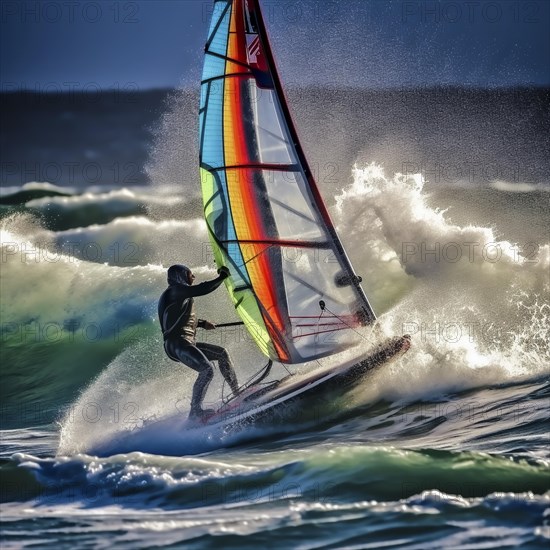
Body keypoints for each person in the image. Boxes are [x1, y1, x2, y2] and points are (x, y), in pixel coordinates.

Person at [158, 264, 240, 419]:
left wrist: (202, 324)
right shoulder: (174, 290)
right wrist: (222, 276)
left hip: (185, 342)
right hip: (177, 343)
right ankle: (195, 412)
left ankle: (237, 393)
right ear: (180, 275)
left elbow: (179, 317)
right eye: (190, 274)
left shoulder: (178, 294)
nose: (193, 277)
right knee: (207, 370)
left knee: (222, 353)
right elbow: (202, 289)